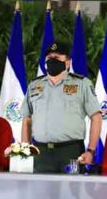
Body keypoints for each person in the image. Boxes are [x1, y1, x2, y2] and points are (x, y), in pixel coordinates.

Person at [20, 41, 102, 173]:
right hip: (41, 153)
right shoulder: (34, 86)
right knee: (40, 192)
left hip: (71, 152)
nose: (52, 61)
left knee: (71, 192)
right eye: (49, 58)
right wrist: (25, 149)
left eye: (57, 58)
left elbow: (96, 117)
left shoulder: (82, 84)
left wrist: (91, 150)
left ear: (68, 62)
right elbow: (26, 119)